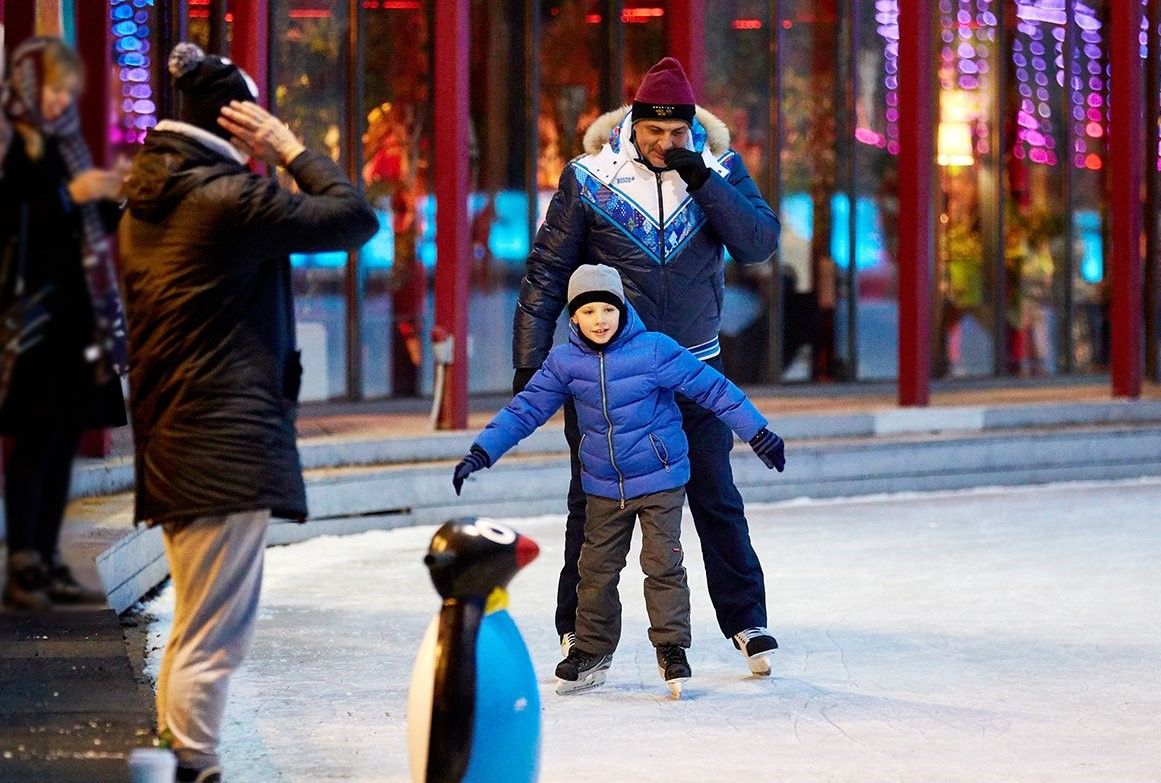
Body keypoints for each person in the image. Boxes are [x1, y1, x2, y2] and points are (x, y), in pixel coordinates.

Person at [118, 43, 377, 783]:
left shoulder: (154, 197)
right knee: (211, 632)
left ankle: (178, 759)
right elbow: (352, 217)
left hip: (176, 435)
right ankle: (195, 767)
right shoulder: (226, 198)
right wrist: (290, 149)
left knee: (194, 625)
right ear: (243, 121)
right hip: (223, 440)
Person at [512, 57, 783, 674]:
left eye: (677, 133)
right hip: (607, 376)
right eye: (654, 132)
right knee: (593, 505)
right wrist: (530, 366)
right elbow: (546, 274)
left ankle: (747, 622)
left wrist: (702, 180)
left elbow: (758, 245)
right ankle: (578, 633)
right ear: (634, 123)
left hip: (696, 370)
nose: (665, 143)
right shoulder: (589, 179)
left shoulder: (719, 169)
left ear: (690, 128)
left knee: (716, 496)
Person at [456, 264, 785, 695]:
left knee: (663, 565)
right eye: (588, 311)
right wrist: (483, 450)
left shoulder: (652, 350)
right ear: (573, 318)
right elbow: (525, 410)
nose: (599, 320)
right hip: (604, 485)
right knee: (594, 570)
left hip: (660, 479)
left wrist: (757, 432)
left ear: (622, 309)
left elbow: (713, 388)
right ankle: (591, 650)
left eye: (607, 309)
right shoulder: (564, 363)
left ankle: (672, 649)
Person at [0, 37, 129, 610]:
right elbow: (17, 218)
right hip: (37, 316)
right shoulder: (17, 146)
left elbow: (75, 221)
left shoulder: (61, 146)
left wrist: (108, 199)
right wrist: (73, 196)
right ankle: (25, 559)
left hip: (73, 316)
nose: (60, 101)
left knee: (59, 442)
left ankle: (46, 556)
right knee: (36, 440)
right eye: (53, 90)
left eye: (67, 92)